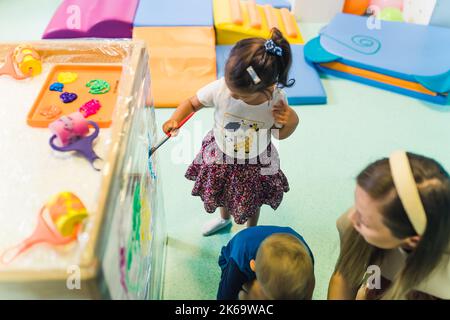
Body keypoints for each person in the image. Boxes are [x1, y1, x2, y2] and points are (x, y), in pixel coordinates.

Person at [162, 28, 299, 236]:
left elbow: (279, 135)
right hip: (220, 155)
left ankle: (249, 231)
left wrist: (291, 121)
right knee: (222, 192)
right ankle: (223, 219)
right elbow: (192, 103)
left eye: (237, 94)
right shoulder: (221, 87)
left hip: (255, 161)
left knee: (252, 200)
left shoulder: (276, 102)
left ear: (265, 88)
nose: (230, 93)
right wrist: (175, 119)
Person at [328, 151, 450, 300]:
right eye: (357, 205)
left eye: (365, 221)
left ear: (413, 240)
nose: (350, 217)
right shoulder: (353, 224)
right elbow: (345, 276)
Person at [217, 226, 315, 300]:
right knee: (241, 295)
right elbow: (224, 297)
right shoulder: (237, 265)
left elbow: (308, 291)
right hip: (233, 257)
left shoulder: (306, 259)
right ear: (253, 266)